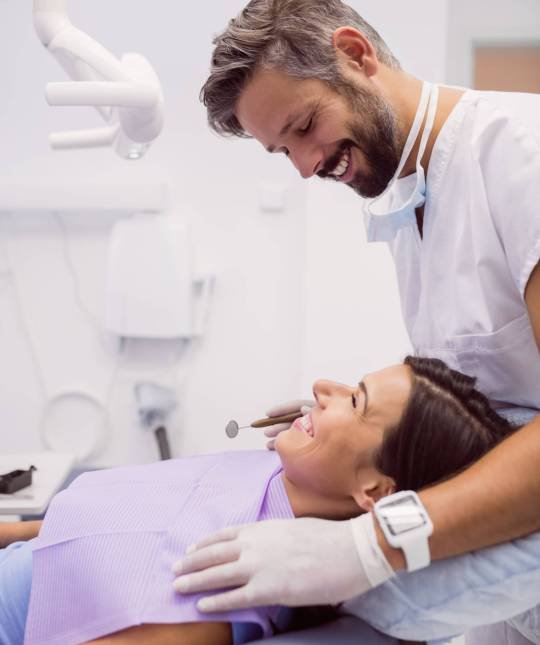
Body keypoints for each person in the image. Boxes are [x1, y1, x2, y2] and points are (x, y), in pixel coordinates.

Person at [172, 1, 540, 642]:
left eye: (305, 126)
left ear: (356, 54)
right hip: (498, 568)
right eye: (282, 150)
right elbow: (484, 397)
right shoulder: (413, 197)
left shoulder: (520, 157)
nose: (307, 167)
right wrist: (349, 420)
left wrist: (370, 546)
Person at [1, 357, 533, 645]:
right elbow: (70, 528)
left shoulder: (221, 588)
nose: (323, 386)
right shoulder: (262, 474)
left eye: (355, 399)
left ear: (374, 490)